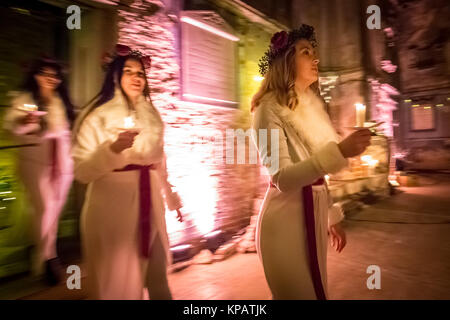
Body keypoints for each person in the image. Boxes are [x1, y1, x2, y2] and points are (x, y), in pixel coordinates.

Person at [251, 25, 372, 299]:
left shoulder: (311, 109)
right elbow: (282, 177)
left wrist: (330, 217)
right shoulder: (266, 109)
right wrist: (339, 152)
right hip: (283, 227)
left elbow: (317, 176)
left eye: (315, 52)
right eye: (306, 52)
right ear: (286, 61)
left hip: (313, 221)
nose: (315, 58)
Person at [72, 44, 183, 299]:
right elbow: (82, 171)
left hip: (150, 204)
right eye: (128, 71)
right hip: (112, 209)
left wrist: (171, 198)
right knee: (120, 285)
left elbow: (159, 163)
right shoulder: (97, 118)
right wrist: (111, 149)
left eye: (140, 73)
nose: (136, 77)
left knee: (158, 276)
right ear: (115, 76)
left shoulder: (152, 117)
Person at [3, 57, 75, 285]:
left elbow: (66, 130)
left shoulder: (60, 100)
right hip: (34, 161)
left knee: (53, 212)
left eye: (55, 75)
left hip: (62, 162)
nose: (51, 79)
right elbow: (11, 127)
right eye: (46, 73)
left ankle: (44, 256)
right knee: (44, 209)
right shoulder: (24, 98)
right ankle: (47, 260)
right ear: (36, 75)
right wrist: (27, 121)